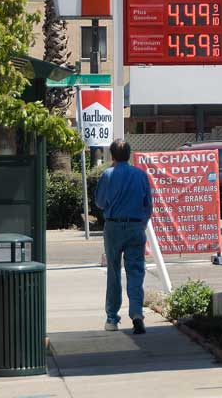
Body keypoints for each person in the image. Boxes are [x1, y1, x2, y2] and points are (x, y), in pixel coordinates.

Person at [95, 139, 152, 335]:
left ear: (112, 156)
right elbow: (148, 205)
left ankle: (112, 317)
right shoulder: (140, 175)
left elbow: (100, 202)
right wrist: (141, 223)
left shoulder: (108, 174)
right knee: (136, 271)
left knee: (113, 271)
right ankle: (137, 314)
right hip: (136, 226)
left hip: (114, 226)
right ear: (129, 154)